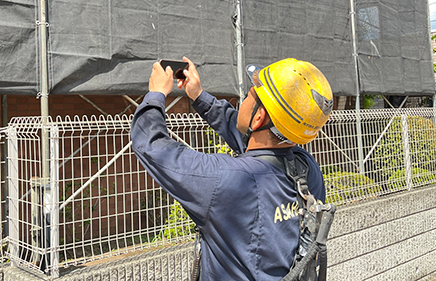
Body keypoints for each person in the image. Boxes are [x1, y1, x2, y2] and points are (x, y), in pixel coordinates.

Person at [131, 56, 333, 280]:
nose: (242, 102)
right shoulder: (307, 169)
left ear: (258, 117)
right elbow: (258, 143)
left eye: (248, 96)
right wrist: (198, 96)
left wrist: (155, 95)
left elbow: (152, 146)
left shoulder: (223, 180)